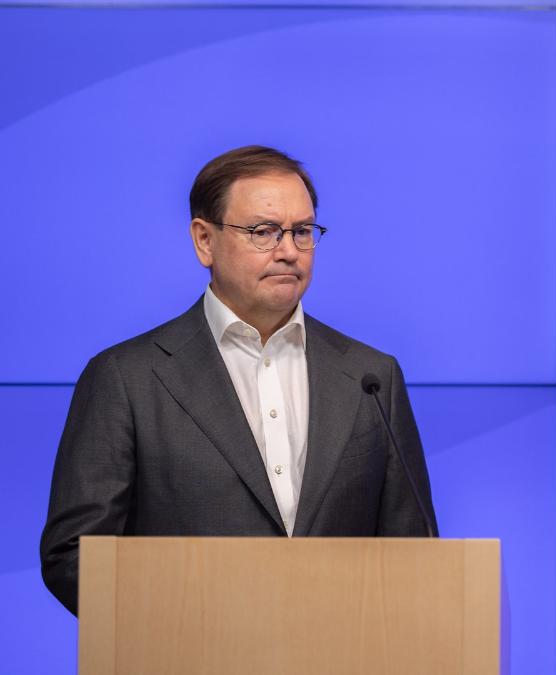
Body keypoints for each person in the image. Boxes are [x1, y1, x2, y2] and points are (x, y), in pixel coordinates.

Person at [41, 146, 437, 614]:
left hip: (341, 646)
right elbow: (74, 557)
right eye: (263, 232)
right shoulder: (127, 379)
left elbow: (415, 555)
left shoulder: (371, 377)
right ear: (204, 240)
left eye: (302, 231)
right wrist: (199, 620)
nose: (288, 251)